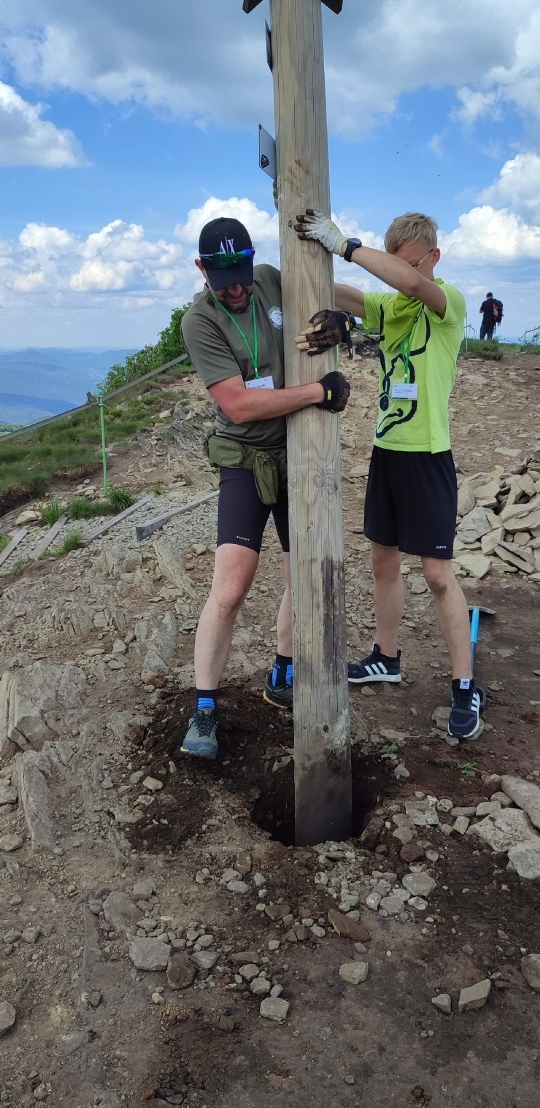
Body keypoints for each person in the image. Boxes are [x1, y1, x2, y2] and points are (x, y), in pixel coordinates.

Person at [294, 208, 482, 741]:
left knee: (438, 573)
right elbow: (353, 294)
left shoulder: (447, 304)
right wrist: (302, 260)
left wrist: (344, 242)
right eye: (392, 264)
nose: (399, 276)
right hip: (387, 449)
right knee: (382, 559)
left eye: (410, 265)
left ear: (432, 259)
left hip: (428, 454)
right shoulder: (391, 306)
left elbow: (410, 283)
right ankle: (386, 656)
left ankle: (464, 684)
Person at [180, 216, 352, 758]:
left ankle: (283, 671)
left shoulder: (274, 281)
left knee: (303, 570)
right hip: (246, 458)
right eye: (223, 278)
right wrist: (315, 392)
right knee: (231, 587)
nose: (236, 288)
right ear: (201, 269)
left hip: (299, 450)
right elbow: (237, 402)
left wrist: (340, 314)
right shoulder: (199, 321)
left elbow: (333, 292)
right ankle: (204, 708)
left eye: (242, 274)